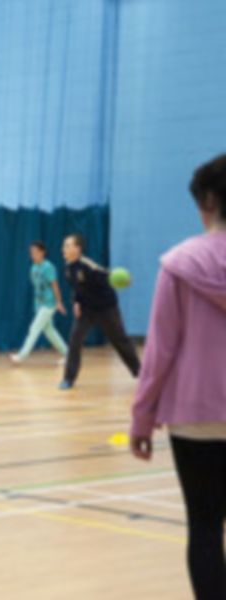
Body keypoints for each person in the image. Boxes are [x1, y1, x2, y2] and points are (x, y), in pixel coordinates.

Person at [131, 154, 226, 600]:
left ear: (208, 200)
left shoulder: (178, 265)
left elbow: (160, 353)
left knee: (204, 526)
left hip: (195, 419)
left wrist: (141, 420)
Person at [59, 234, 141, 390]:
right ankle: (68, 379)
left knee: (120, 341)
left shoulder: (88, 266)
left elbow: (107, 276)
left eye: (68, 246)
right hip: (87, 310)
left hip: (106, 308)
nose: (64, 249)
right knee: (74, 341)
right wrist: (76, 303)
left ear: (77, 249)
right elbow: (76, 288)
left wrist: (124, 280)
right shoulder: (68, 268)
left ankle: (140, 373)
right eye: (64, 246)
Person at [10, 241, 68, 365]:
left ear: (43, 253)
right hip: (39, 304)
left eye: (36, 252)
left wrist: (58, 302)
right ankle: (68, 355)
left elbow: (55, 285)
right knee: (50, 331)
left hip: (49, 304)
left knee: (34, 328)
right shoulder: (33, 268)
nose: (33, 255)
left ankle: (22, 355)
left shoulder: (48, 267)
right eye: (31, 252)